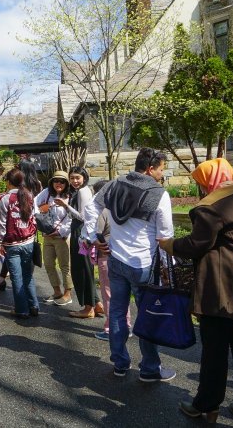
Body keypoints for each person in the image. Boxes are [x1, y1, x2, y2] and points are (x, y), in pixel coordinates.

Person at [158, 159, 233, 424]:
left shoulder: (210, 207)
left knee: (215, 349)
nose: (198, 187)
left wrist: (170, 244)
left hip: (220, 288)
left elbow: (197, 244)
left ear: (207, 181)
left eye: (199, 182)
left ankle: (206, 405)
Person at [84, 147, 175, 382]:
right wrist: (167, 267)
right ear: (149, 168)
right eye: (161, 169)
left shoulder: (114, 184)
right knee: (147, 316)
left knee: (116, 312)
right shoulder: (159, 194)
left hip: (116, 260)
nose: (162, 175)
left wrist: (95, 237)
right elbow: (165, 236)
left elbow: (91, 207)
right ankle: (150, 368)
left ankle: (120, 363)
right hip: (143, 264)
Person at [83, 180, 130, 341]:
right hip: (124, 256)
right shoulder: (122, 208)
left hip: (107, 256)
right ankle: (127, 325)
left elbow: (95, 234)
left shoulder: (102, 210)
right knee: (123, 295)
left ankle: (111, 328)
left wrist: (87, 240)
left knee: (109, 295)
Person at [0, 159, 42, 291]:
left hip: (15, 225)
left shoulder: (22, 187)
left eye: (18, 166)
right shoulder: (36, 184)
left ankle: (10, 283)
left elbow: (2, 220)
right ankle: (16, 283)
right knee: (24, 256)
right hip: (30, 226)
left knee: (12, 252)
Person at [0, 168, 39, 319]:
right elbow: (34, 217)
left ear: (8, 182)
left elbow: (1, 224)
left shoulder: (5, 199)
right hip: (28, 241)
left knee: (17, 277)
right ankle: (33, 305)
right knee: (28, 275)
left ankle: (21, 309)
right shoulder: (29, 195)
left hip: (12, 243)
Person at [60, 166, 101, 318]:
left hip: (81, 233)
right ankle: (96, 304)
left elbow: (83, 216)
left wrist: (66, 205)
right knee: (84, 269)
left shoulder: (83, 191)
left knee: (82, 270)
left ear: (84, 177)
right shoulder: (80, 191)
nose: (75, 181)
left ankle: (88, 308)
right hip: (81, 232)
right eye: (72, 178)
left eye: (78, 178)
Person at [36, 171, 74, 306]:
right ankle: (57, 291)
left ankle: (67, 294)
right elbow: (34, 203)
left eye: (62, 181)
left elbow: (72, 218)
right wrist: (41, 210)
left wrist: (61, 231)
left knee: (65, 266)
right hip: (47, 236)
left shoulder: (71, 197)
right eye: (56, 180)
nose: (59, 183)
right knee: (49, 264)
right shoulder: (47, 193)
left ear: (66, 184)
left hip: (62, 237)